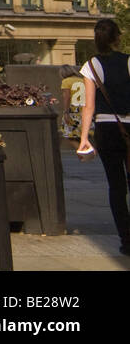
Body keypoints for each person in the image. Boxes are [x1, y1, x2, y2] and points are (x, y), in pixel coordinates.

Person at [77, 18, 130, 255]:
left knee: (116, 186)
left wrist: (83, 138)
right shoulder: (128, 62)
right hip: (129, 127)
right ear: (117, 38)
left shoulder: (91, 65)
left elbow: (88, 106)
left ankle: (126, 241)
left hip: (107, 129)